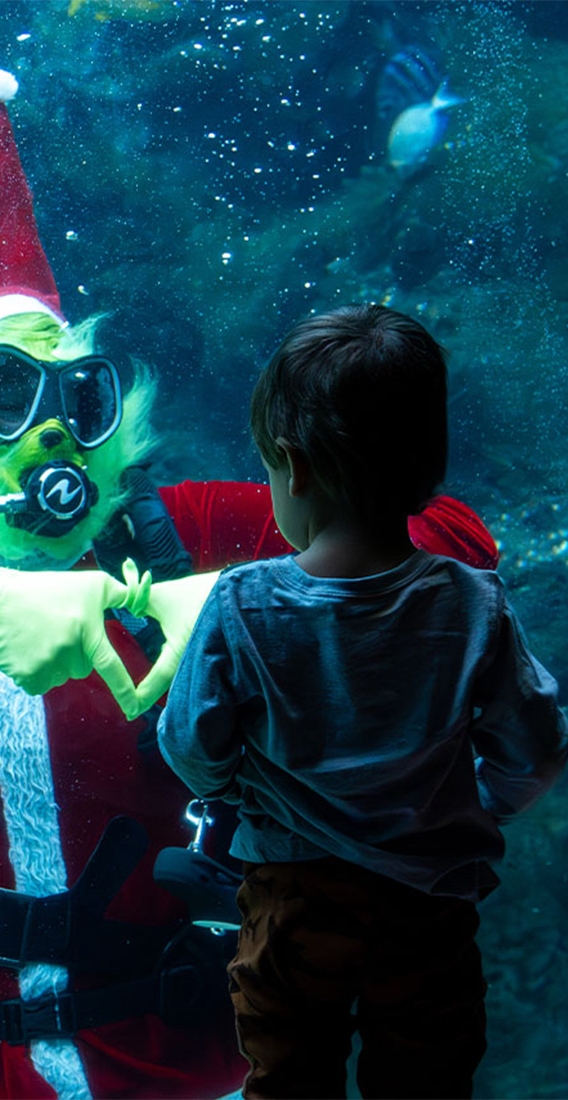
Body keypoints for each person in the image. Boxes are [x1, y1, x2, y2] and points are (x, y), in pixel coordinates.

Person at [0, 71, 500, 1100]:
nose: (49, 430)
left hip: (198, 1068)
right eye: (3, 395)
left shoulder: (181, 531)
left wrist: (262, 595)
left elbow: (456, 550)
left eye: (76, 394)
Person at [157, 304, 568, 1100]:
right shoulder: (472, 601)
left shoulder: (243, 602)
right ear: (429, 464)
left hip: (291, 895)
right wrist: (484, 803)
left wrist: (230, 789)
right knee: (426, 1073)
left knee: (287, 1071)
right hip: (429, 902)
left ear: (295, 467)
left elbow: (189, 743)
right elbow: (538, 744)